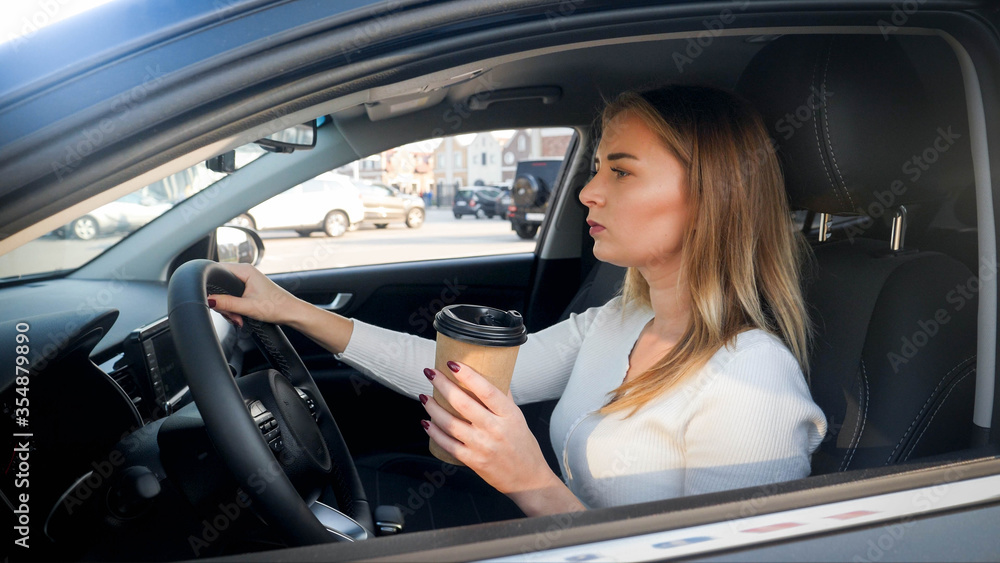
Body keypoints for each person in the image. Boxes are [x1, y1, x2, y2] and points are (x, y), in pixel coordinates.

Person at [207, 85, 827, 524]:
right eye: (595, 168)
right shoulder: (620, 320)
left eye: (621, 172)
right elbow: (455, 374)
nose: (587, 192)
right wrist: (291, 309)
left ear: (711, 195)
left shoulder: (751, 380)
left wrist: (531, 483)